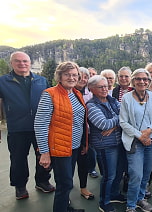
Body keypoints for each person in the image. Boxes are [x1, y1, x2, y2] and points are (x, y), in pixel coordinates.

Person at [0, 51, 55, 200]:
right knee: (18, 159)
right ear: (11, 63)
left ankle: (43, 181)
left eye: (25, 61)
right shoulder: (3, 81)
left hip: (41, 127)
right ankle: (20, 186)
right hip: (17, 127)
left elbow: (51, 102)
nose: (22, 64)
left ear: (30, 63)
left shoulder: (42, 81)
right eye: (17, 61)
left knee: (43, 156)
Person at [34, 61, 87, 212]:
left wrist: (83, 143)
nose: (71, 77)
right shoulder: (50, 94)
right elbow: (40, 124)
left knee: (67, 180)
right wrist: (44, 153)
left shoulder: (76, 93)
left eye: (74, 75)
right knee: (65, 184)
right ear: (60, 76)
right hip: (59, 147)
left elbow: (78, 122)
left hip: (74, 146)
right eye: (67, 74)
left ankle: (65, 207)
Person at [119, 68, 152, 212]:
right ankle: (131, 204)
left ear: (149, 82)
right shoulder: (127, 98)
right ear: (133, 81)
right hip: (135, 142)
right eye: (138, 79)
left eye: (145, 79)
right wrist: (140, 136)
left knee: (146, 173)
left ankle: (140, 198)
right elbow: (123, 122)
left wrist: (149, 131)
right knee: (136, 174)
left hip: (151, 141)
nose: (142, 81)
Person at [86, 75, 126, 212]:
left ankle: (114, 194)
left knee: (119, 171)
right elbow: (103, 124)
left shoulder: (112, 100)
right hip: (105, 145)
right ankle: (104, 201)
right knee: (109, 175)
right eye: (100, 87)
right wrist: (118, 121)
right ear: (92, 89)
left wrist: (114, 126)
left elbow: (126, 114)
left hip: (118, 141)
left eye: (106, 86)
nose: (105, 89)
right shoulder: (91, 106)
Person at [74, 67, 94, 200]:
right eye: (79, 76)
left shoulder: (90, 94)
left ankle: (83, 188)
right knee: (66, 167)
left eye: (85, 77)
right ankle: (65, 192)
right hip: (69, 134)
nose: (82, 79)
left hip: (85, 133)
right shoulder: (67, 92)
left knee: (83, 162)